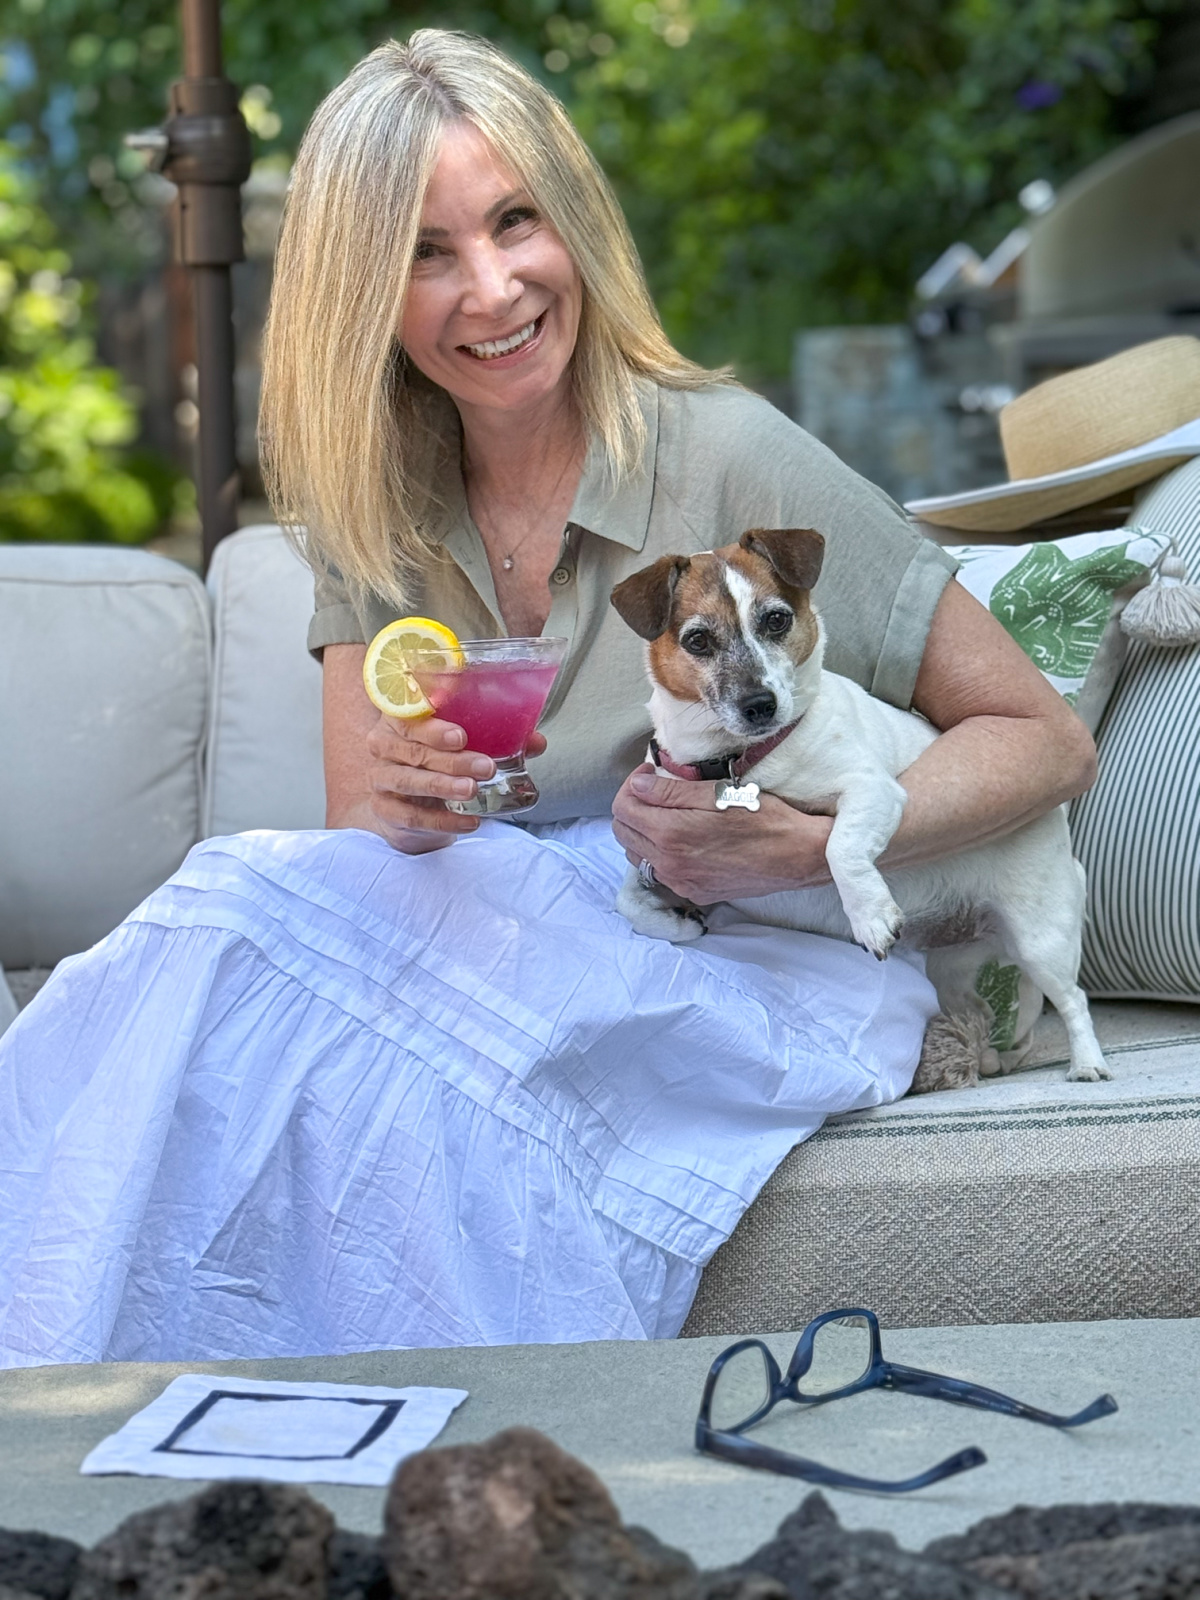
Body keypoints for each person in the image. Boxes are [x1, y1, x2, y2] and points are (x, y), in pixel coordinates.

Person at [0, 31, 1095, 1368]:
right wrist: (412, 797)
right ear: (365, 293)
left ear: (571, 224)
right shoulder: (377, 500)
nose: (495, 286)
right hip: (526, 939)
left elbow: (1043, 738)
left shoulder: (731, 456)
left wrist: (813, 841)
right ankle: (69, 1391)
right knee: (225, 923)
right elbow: (366, 845)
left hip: (750, 960)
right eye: (426, 251)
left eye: (517, 221)